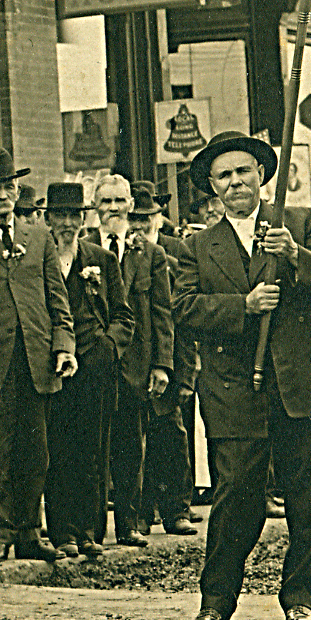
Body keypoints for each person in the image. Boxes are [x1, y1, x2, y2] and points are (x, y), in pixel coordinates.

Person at [169, 131, 311, 620]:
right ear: (212, 187)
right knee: (236, 494)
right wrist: (243, 307)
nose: (236, 182)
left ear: (261, 175)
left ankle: (300, 598)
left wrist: (297, 255)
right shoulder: (197, 246)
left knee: (306, 496)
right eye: (224, 176)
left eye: (243, 172)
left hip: (303, 382)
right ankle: (216, 600)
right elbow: (184, 309)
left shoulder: (300, 222)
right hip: (234, 388)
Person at [0, 152, 75, 564]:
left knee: (37, 447)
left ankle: (31, 530)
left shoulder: (38, 235)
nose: (4, 196)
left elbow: (56, 296)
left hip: (36, 354)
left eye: (9, 188)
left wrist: (63, 344)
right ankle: (1, 531)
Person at [41, 181, 133, 556]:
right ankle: (62, 532)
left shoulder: (101, 259)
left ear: (84, 218)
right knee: (57, 450)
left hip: (94, 368)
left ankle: (90, 531)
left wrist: (108, 348)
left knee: (93, 449)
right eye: (60, 216)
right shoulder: (38, 256)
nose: (67, 224)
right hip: (54, 367)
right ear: (48, 219)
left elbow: (124, 316)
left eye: (74, 216)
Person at [93, 176, 173, 546]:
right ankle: (91, 530)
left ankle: (129, 523)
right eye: (106, 201)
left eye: (119, 201)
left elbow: (161, 313)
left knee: (130, 446)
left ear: (130, 206)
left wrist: (162, 365)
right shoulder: (82, 248)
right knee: (91, 447)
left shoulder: (150, 254)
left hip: (137, 365)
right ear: (96, 206)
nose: (113, 208)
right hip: (94, 364)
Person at [130, 184, 196, 535]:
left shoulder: (176, 252)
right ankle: (142, 511)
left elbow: (181, 319)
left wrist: (184, 373)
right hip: (138, 359)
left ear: (159, 217)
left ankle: (177, 509)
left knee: (171, 435)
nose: (140, 226)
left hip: (170, 356)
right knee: (137, 439)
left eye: (147, 218)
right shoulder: (125, 254)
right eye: (134, 219)